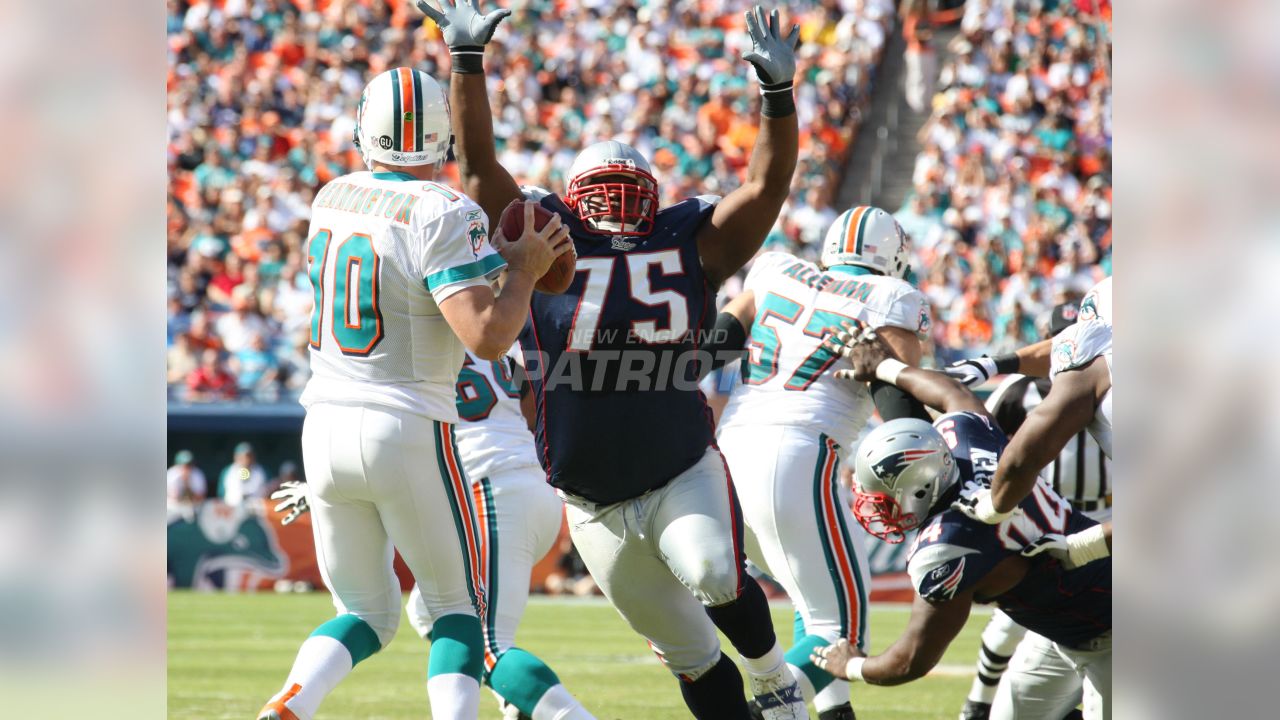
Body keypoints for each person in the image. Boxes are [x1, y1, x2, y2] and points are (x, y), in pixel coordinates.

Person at [418, 2, 807, 717]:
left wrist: (777, 100)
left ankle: (776, 675)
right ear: (568, 201)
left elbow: (766, 187)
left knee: (715, 567)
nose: (615, 210)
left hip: (679, 468)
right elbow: (476, 170)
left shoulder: (692, 239)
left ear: (656, 199)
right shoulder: (545, 233)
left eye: (629, 195)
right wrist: (465, 60)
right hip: (589, 501)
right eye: (600, 197)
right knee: (691, 660)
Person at [256, 65, 570, 720]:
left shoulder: (329, 195)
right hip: (405, 427)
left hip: (324, 424)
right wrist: (522, 271)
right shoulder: (443, 210)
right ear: (441, 137)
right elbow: (486, 336)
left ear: (363, 129)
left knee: (365, 613)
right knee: (459, 614)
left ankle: (291, 701)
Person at [272, 349, 596, 720]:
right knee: (428, 613)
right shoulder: (489, 335)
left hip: (485, 489)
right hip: (523, 482)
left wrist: (326, 484)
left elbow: (384, 426)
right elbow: (531, 408)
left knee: (483, 642)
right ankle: (519, 698)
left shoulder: (417, 330)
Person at [809, 329, 1112, 720]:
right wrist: (885, 367)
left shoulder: (947, 546)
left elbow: (910, 660)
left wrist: (850, 666)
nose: (875, 506)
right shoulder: (969, 447)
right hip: (1067, 623)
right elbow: (953, 393)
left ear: (917, 489)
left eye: (883, 495)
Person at [711, 206, 931, 720]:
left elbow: (716, 340)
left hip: (726, 456)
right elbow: (900, 411)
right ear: (893, 259)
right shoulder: (893, 297)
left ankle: (836, 715)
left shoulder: (776, 270)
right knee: (845, 632)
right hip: (798, 456)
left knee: (813, 611)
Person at [958, 302, 1112, 720]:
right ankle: (978, 702)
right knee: (1013, 623)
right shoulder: (1018, 393)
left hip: (1109, 522)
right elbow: (990, 449)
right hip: (1049, 520)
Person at [219, 441, 269, 507]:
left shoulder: (261, 471)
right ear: (235, 457)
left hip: (256, 510)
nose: (245, 459)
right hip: (232, 508)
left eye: (248, 456)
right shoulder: (227, 471)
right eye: (241, 456)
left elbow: (268, 491)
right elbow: (221, 493)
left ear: (253, 457)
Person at [166, 449, 207, 519]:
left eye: (189, 464)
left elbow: (200, 497)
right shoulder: (171, 474)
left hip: (193, 506)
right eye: (184, 465)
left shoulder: (197, 474)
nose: (187, 467)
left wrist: (187, 483)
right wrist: (183, 480)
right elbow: (174, 496)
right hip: (173, 506)